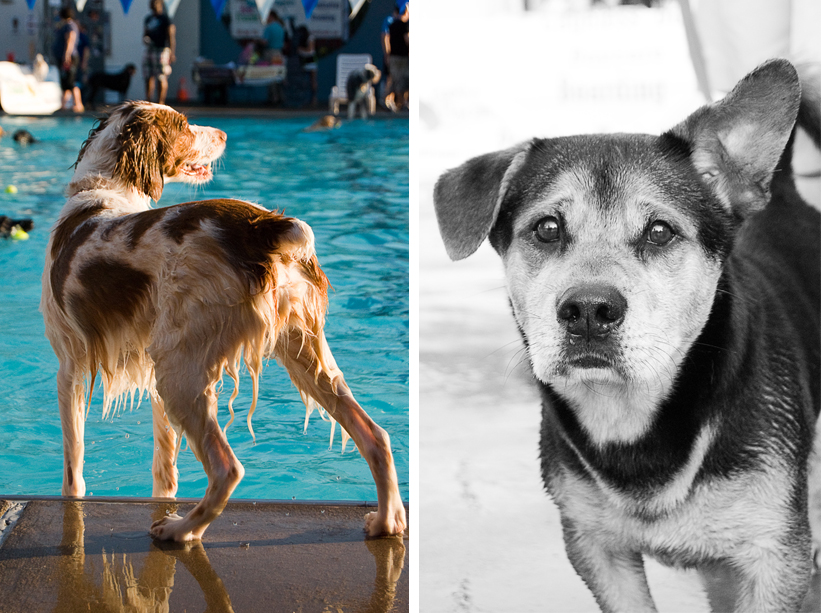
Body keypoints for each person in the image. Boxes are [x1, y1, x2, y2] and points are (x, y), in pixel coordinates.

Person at [142, 0, 176, 105]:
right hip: (150, 49)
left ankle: (160, 102)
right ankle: (148, 101)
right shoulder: (148, 19)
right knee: (148, 74)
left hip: (162, 49)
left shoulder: (165, 19)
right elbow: (145, 33)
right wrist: (145, 39)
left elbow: (171, 36)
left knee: (161, 75)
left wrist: (172, 52)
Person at [52, 7, 85, 112]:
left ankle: (78, 104)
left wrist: (67, 55)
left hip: (69, 57)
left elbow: (70, 39)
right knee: (65, 82)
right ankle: (63, 105)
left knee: (71, 81)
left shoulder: (69, 26)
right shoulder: (67, 25)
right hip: (66, 57)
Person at [386, 2, 409, 112]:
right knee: (403, 81)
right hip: (403, 57)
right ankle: (402, 103)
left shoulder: (392, 25)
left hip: (393, 57)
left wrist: (388, 54)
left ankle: (390, 101)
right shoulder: (404, 25)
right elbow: (407, 40)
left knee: (395, 80)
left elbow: (388, 40)